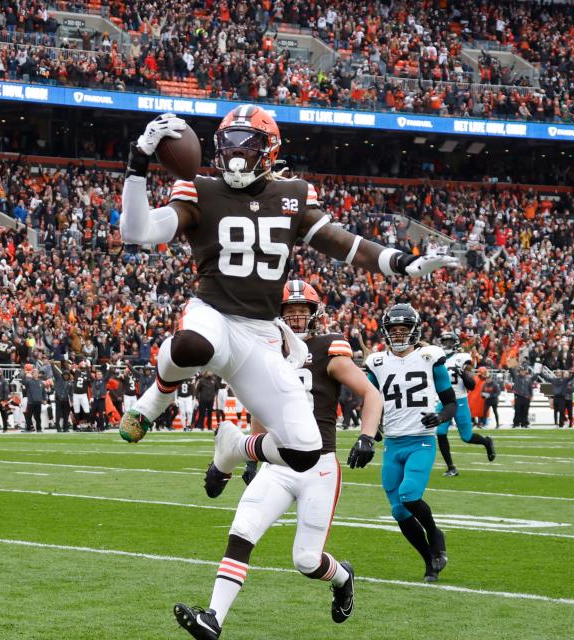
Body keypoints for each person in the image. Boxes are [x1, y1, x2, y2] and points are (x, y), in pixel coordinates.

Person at [119, 107, 456, 486]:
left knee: (305, 450)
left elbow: (343, 243)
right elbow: (137, 231)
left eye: (247, 146)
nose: (235, 154)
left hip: (261, 333)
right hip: (213, 312)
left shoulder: (293, 194)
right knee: (192, 344)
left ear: (270, 151)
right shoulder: (201, 189)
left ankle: (234, 448)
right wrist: (138, 163)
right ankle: (155, 401)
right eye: (229, 145)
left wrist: (401, 262)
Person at [175, 281, 382, 639]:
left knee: (306, 560)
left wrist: (366, 435)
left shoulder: (326, 350)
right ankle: (213, 618)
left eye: (303, 308)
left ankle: (343, 577)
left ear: (314, 313)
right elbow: (261, 408)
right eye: (290, 309)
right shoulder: (267, 348)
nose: (297, 315)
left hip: (318, 466)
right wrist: (252, 462)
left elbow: (370, 394)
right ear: (278, 313)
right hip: (277, 463)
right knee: (242, 532)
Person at [363, 304, 456, 581]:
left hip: (421, 441)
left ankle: (436, 535)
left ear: (415, 331)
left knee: (409, 494)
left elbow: (450, 402)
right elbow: (368, 399)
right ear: (386, 332)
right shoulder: (376, 363)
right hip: (392, 444)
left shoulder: (430, 357)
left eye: (404, 329)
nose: (400, 334)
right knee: (398, 510)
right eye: (395, 330)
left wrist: (439, 417)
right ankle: (429, 561)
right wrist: (371, 432)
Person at [432, 332, 496, 477]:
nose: (447, 345)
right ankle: (451, 467)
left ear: (455, 344)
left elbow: (472, 385)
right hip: (443, 401)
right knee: (440, 432)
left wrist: (462, 373)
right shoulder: (437, 359)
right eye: (445, 342)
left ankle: (486, 442)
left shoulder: (462, 358)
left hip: (460, 400)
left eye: (449, 342)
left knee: (466, 437)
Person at [510, 364, 536, 428]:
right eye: (521, 371)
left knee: (525, 411)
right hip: (518, 396)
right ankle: (516, 423)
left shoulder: (528, 378)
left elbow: (530, 388)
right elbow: (511, 370)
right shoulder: (516, 377)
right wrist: (511, 362)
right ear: (519, 371)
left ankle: (524, 424)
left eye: (524, 371)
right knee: (517, 411)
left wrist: (531, 395)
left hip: (526, 397)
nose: (523, 372)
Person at [22, 368, 45, 432]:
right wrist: (24, 374)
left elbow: (43, 392)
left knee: (38, 417)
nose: (35, 374)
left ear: (38, 374)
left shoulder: (41, 382)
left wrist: (44, 399)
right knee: (29, 416)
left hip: (38, 402)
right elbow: (23, 382)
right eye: (34, 373)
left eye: (36, 373)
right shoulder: (29, 381)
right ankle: (28, 429)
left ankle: (39, 429)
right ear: (32, 374)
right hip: (31, 402)